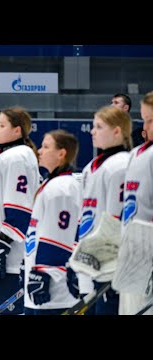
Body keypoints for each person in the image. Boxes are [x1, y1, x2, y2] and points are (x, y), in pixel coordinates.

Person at [0, 106, 40, 315]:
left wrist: (3, 243)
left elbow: (20, 207)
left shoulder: (19, 156)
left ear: (17, 130)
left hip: (8, 259)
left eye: (2, 125)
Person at [76, 106, 131, 315]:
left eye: (99, 127)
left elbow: (116, 223)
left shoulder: (121, 165)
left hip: (109, 267)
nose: (92, 131)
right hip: (91, 264)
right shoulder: (92, 166)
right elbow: (86, 218)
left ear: (117, 131)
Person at [24, 130, 81, 315]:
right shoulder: (50, 184)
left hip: (54, 288)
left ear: (61, 153)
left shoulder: (62, 188)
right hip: (39, 280)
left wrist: (43, 272)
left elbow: (60, 237)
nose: (39, 151)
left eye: (46, 147)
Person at [112, 91, 153, 315]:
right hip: (131, 257)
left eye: (151, 120)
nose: (146, 127)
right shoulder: (136, 154)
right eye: (145, 120)